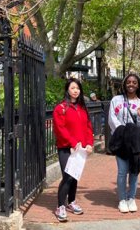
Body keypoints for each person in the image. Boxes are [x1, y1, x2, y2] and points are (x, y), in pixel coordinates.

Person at [52, 78, 94, 222]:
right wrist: (73, 142)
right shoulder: (61, 108)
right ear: (67, 90)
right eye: (72, 88)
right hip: (66, 147)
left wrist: (89, 143)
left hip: (80, 149)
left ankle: (71, 202)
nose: (75, 90)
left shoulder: (83, 108)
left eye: (77, 88)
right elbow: (60, 129)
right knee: (68, 176)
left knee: (75, 175)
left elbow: (88, 127)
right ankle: (60, 206)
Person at [108, 74, 140, 213]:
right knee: (122, 172)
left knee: (134, 171)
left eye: (134, 82)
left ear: (138, 85)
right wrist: (122, 132)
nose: (131, 84)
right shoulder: (116, 100)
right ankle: (122, 199)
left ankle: (131, 198)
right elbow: (112, 119)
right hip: (121, 141)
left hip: (135, 143)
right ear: (124, 84)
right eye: (128, 82)